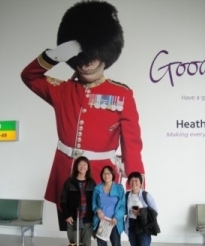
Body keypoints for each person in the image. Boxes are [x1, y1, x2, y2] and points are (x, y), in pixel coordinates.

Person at [21, 0, 144, 231]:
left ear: (106, 53)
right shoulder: (62, 90)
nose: (86, 63)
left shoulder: (122, 94)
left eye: (92, 55)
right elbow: (29, 76)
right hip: (65, 173)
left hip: (100, 175)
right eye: (82, 56)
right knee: (71, 229)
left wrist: (136, 189)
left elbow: (132, 144)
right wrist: (59, 53)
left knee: (101, 232)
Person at [60, 156, 96, 246]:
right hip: (73, 220)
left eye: (85, 164)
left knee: (86, 245)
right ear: (76, 166)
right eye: (80, 164)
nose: (82, 167)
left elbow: (96, 201)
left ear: (88, 167)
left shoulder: (91, 182)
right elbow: (63, 200)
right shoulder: (69, 182)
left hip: (87, 220)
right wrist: (67, 215)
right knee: (74, 245)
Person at [92, 165, 128, 246]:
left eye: (108, 173)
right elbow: (93, 205)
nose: (106, 175)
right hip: (101, 223)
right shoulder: (97, 188)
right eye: (104, 173)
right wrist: (98, 210)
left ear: (113, 175)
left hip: (113, 223)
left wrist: (116, 218)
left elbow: (123, 206)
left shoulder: (119, 188)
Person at [125, 172, 158, 246]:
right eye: (132, 181)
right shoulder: (127, 195)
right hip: (132, 226)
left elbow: (155, 211)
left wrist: (141, 212)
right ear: (129, 182)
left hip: (144, 227)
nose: (134, 183)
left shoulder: (145, 195)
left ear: (140, 182)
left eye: (136, 181)